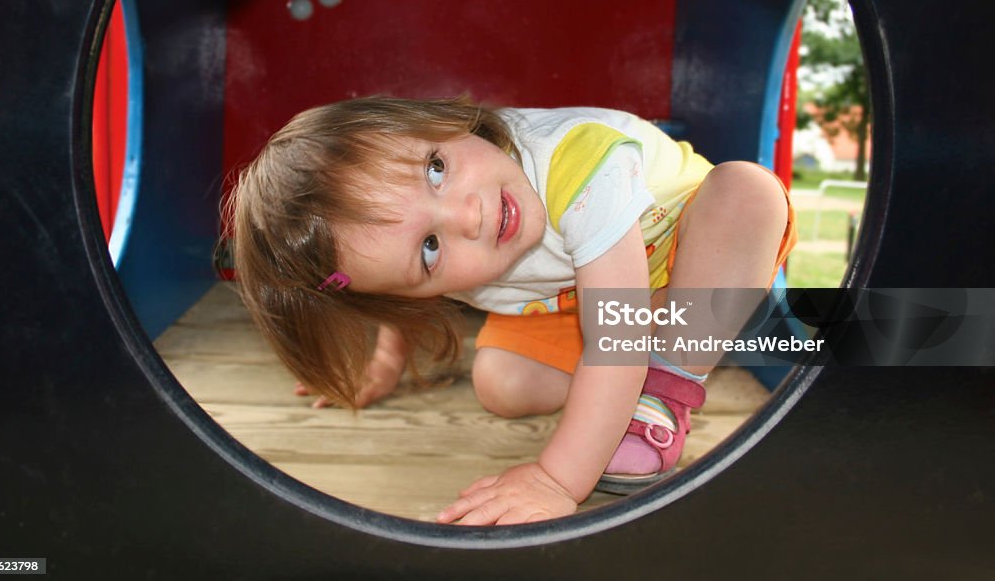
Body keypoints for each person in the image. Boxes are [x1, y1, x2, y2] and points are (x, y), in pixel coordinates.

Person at [227, 95, 796, 525]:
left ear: (436, 123)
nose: (468, 215)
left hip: (702, 256)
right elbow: (386, 290)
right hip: (593, 299)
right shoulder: (434, 243)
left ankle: (670, 378)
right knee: (501, 384)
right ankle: (680, 342)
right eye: (429, 248)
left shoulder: (575, 161)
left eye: (435, 170)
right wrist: (385, 362)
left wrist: (555, 480)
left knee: (746, 190)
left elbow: (614, 344)